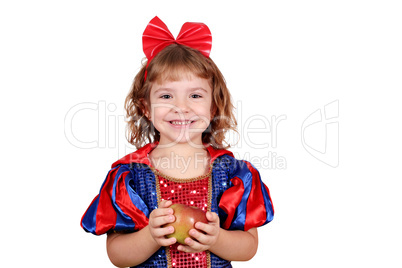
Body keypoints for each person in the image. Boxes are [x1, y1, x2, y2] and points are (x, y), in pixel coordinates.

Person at [81, 16, 274, 268]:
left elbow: (249, 248)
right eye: (166, 95)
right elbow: (117, 255)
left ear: (213, 106)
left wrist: (217, 239)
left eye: (195, 95)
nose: (181, 107)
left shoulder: (232, 173)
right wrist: (149, 236)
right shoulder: (129, 175)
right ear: (146, 108)